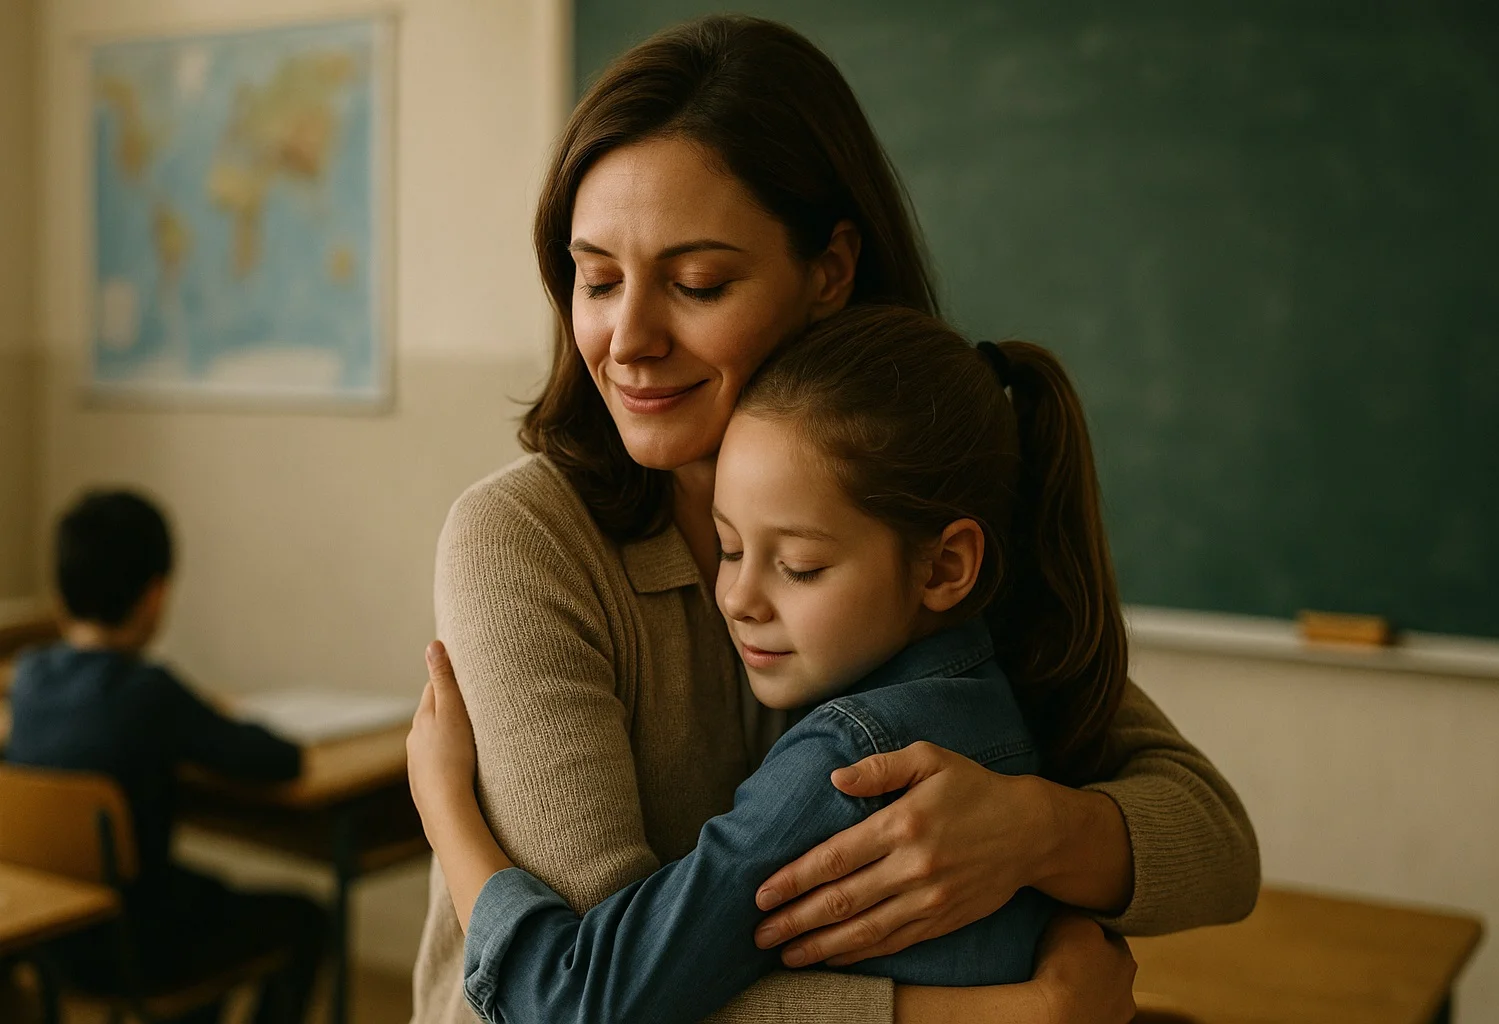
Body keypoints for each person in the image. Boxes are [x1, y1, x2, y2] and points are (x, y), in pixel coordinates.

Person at [410, 16, 1259, 1024]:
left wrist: (1032, 831)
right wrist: (1001, 1016)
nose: (626, 338)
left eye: (696, 284)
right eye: (596, 279)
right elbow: (588, 997)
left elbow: (1217, 843)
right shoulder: (524, 541)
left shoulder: (913, 504)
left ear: (829, 271)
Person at [408, 306, 1142, 1022]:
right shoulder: (1000, 697)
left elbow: (577, 1005)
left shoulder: (849, 763)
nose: (737, 598)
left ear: (946, 566)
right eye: (728, 548)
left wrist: (448, 814)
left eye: (799, 567)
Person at [5, 490, 327, 1024]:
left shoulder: (28, 677)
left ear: (60, 595)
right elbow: (278, 761)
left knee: (204, 891)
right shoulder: (150, 693)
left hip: (52, 938)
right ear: (155, 596)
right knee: (308, 919)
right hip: (139, 952)